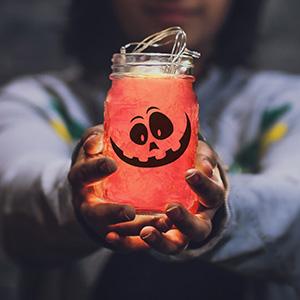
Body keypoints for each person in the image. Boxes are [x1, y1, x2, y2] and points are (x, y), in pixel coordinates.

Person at [0, 0, 300, 299]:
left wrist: (219, 207)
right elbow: (17, 197)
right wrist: (78, 197)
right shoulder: (38, 103)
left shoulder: (284, 103)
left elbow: (292, 207)